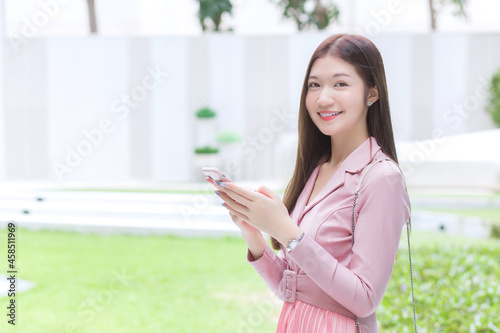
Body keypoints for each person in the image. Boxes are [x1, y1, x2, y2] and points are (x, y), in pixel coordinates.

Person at [209, 33, 410, 333]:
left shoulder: (382, 179)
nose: (323, 97)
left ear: (372, 93)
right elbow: (289, 288)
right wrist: (253, 233)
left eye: (340, 84)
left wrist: (287, 230)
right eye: (314, 85)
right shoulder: (316, 170)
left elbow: (365, 298)